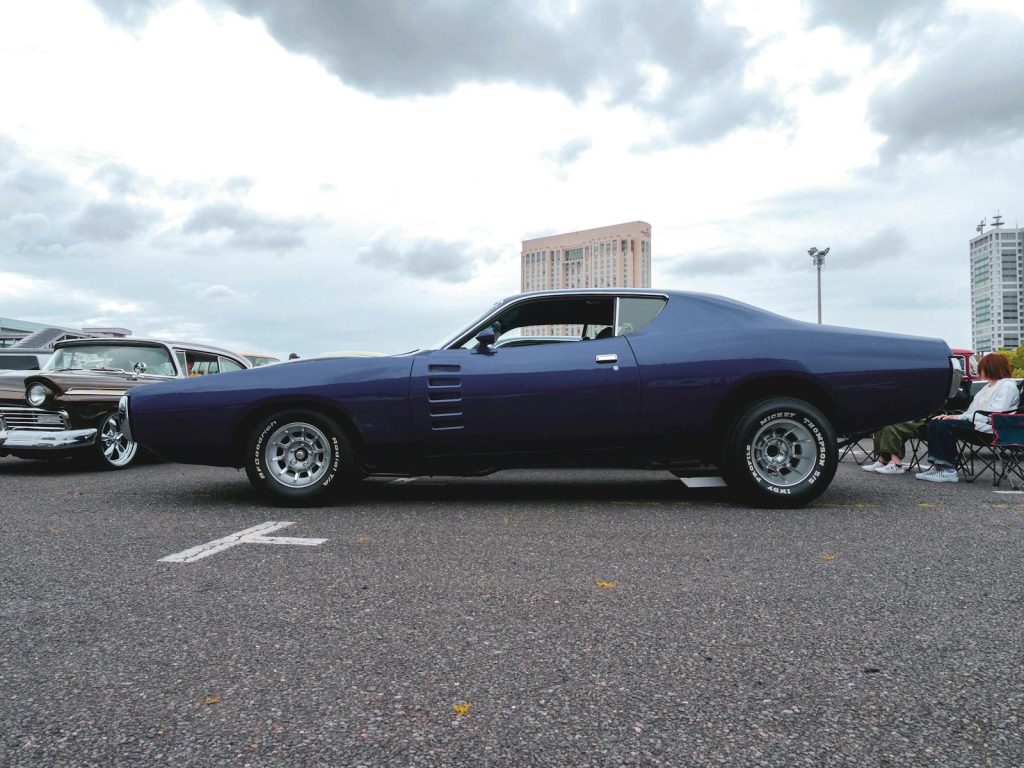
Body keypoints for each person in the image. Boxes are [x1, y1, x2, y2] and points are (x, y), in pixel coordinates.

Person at [915, 352, 1019, 483]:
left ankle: (948, 470)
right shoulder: (987, 388)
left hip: (992, 428)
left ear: (991, 368)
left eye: (982, 368)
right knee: (936, 421)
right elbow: (971, 412)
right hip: (977, 423)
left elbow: (996, 413)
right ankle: (938, 467)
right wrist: (953, 416)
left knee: (945, 425)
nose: (979, 371)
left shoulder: (1007, 386)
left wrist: (958, 418)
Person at [861, 418, 927, 474]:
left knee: (891, 425)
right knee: (881, 424)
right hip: (909, 419)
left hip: (923, 423)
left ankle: (896, 464)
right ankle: (883, 461)